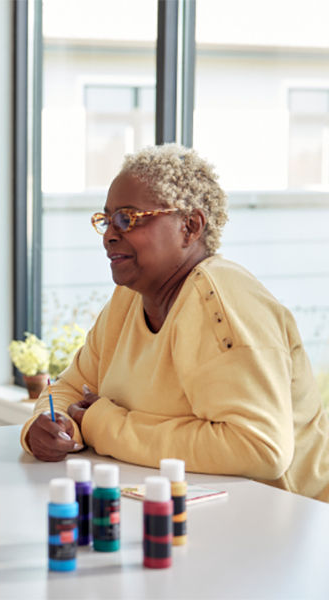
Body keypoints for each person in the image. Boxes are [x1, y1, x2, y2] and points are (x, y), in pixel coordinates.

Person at [21, 144, 329, 502]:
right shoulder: (130, 297)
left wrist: (102, 424)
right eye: (106, 220)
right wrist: (47, 426)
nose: (109, 235)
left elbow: (260, 448)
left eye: (129, 218)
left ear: (190, 226)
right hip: (197, 518)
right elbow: (68, 389)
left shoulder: (224, 299)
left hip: (289, 526)